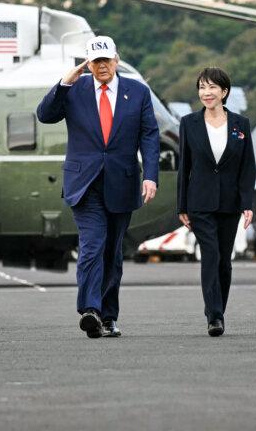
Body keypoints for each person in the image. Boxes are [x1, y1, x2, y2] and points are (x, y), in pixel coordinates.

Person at [36, 36, 160, 339]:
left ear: (116, 59)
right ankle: (90, 310)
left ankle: (108, 316)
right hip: (84, 182)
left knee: (112, 253)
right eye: (96, 61)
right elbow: (45, 115)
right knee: (92, 244)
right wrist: (64, 83)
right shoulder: (74, 90)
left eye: (106, 60)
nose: (102, 66)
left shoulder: (138, 91)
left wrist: (151, 176)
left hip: (123, 181)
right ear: (88, 64)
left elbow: (150, 135)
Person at [176, 67, 256, 336]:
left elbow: (248, 167)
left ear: (224, 92)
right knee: (210, 255)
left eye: (212, 87)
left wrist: (247, 203)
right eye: (201, 87)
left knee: (224, 261)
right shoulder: (188, 123)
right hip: (200, 201)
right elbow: (184, 166)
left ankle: (219, 307)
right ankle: (214, 316)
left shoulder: (240, 124)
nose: (206, 93)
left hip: (230, 202)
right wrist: (182, 206)